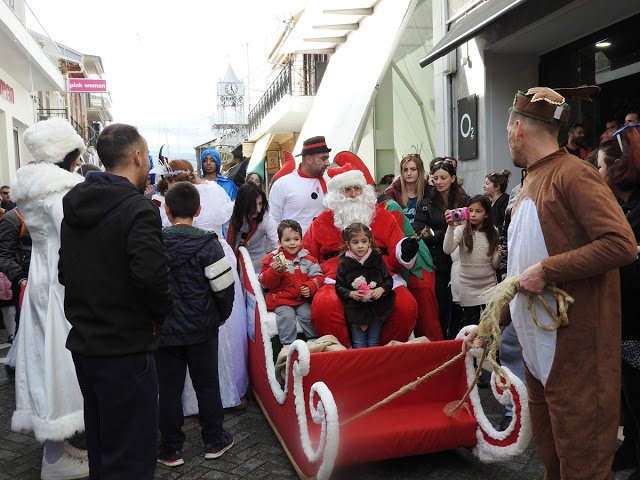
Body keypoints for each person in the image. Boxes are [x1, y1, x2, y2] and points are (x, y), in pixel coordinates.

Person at [502, 86, 637, 479]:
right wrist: (495, 322)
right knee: (555, 464)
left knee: (583, 467)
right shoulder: (532, 179)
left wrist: (548, 270)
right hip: (537, 354)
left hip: (576, 355)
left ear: (518, 130)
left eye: (508, 130)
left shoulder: (574, 174)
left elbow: (620, 245)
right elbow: (520, 269)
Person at [58, 123, 173, 480]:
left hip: (86, 345)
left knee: (104, 447)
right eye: (147, 156)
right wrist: (159, 315)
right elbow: (152, 279)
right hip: (126, 348)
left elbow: (65, 271)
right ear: (137, 157)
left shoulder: (74, 204)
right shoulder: (138, 209)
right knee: (132, 456)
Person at [10, 117, 89, 480]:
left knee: (44, 358)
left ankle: (58, 445)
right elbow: (71, 232)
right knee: (61, 360)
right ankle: (56, 454)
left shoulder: (28, 186)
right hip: (61, 278)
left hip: (41, 277)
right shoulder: (60, 190)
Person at [155, 159, 248, 410]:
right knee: (219, 323)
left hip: (182, 261)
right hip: (215, 255)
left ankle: (187, 402)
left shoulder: (174, 200)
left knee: (186, 321)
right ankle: (221, 397)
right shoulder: (213, 190)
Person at [157, 182, 235, 467]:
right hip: (202, 330)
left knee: (168, 390)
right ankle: (214, 440)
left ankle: (170, 448)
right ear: (199, 210)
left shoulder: (154, 242)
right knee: (207, 386)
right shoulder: (209, 244)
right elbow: (224, 288)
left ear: (166, 209)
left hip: (165, 331)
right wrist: (219, 317)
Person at [303, 162, 419, 348]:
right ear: (337, 195)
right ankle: (342, 355)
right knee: (324, 305)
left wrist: (405, 252)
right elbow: (308, 256)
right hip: (335, 278)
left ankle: (384, 354)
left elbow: (398, 253)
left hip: (380, 276)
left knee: (406, 306)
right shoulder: (322, 222)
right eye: (347, 189)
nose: (354, 194)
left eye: (357, 188)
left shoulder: (384, 217)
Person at [596, 125, 640, 479]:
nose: (597, 174)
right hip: (623, 319)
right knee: (629, 395)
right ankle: (631, 450)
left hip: (638, 322)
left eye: (601, 167)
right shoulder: (617, 207)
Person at [414, 160, 468, 339]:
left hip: (462, 261)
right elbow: (419, 231)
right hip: (436, 262)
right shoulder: (425, 202)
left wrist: (438, 232)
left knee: (461, 308)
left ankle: (458, 344)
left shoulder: (464, 200)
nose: (439, 182)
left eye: (443, 177)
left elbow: (474, 227)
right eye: (435, 177)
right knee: (442, 306)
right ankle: (444, 343)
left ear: (453, 178)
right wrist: (447, 232)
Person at [258, 219, 323, 346]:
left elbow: (318, 276)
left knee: (309, 314)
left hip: (302, 300)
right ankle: (287, 346)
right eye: (287, 240)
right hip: (281, 300)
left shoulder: (309, 259)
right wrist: (274, 272)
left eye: (296, 239)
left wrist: (310, 287)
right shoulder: (272, 260)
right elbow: (264, 283)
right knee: (287, 317)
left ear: (301, 240)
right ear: (279, 242)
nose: (292, 243)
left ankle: (313, 341)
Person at [443, 195, 501, 330]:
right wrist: (450, 227)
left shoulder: (494, 232)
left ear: (487, 214)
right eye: (470, 210)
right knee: (472, 327)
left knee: (491, 325)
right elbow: (447, 249)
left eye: (478, 211)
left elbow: (495, 264)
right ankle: (475, 351)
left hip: (489, 286)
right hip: (468, 286)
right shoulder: (461, 231)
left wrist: (498, 255)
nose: (473, 214)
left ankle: (491, 351)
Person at [335, 223, 395, 348]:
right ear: (348, 244)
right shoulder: (344, 262)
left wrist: (382, 289)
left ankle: (374, 366)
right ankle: (361, 367)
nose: (360, 246)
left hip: (376, 308)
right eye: (355, 242)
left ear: (369, 241)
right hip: (356, 311)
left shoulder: (376, 259)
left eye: (364, 241)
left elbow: (388, 280)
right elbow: (339, 286)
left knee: (373, 342)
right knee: (359, 343)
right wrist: (350, 293)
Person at [268, 136, 331, 234]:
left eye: (327, 158)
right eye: (323, 159)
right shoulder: (282, 184)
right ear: (309, 159)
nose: (328, 163)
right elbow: (273, 222)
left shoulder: (330, 183)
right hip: (294, 247)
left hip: (324, 247)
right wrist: (280, 248)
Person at [227, 182, 278, 274]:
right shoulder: (228, 213)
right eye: (254, 205)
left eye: (260, 204)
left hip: (258, 263)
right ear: (243, 204)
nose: (258, 209)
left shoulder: (266, 218)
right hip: (232, 260)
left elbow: (277, 245)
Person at [384, 153, 430, 225]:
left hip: (422, 234)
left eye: (413, 169)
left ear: (420, 171)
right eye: (405, 170)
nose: (409, 173)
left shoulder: (429, 191)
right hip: (400, 235)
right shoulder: (392, 193)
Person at [482, 169, 511, 234]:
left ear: (497, 186)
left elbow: (508, 222)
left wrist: (497, 230)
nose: (483, 186)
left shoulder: (504, 201)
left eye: (487, 183)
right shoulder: (490, 203)